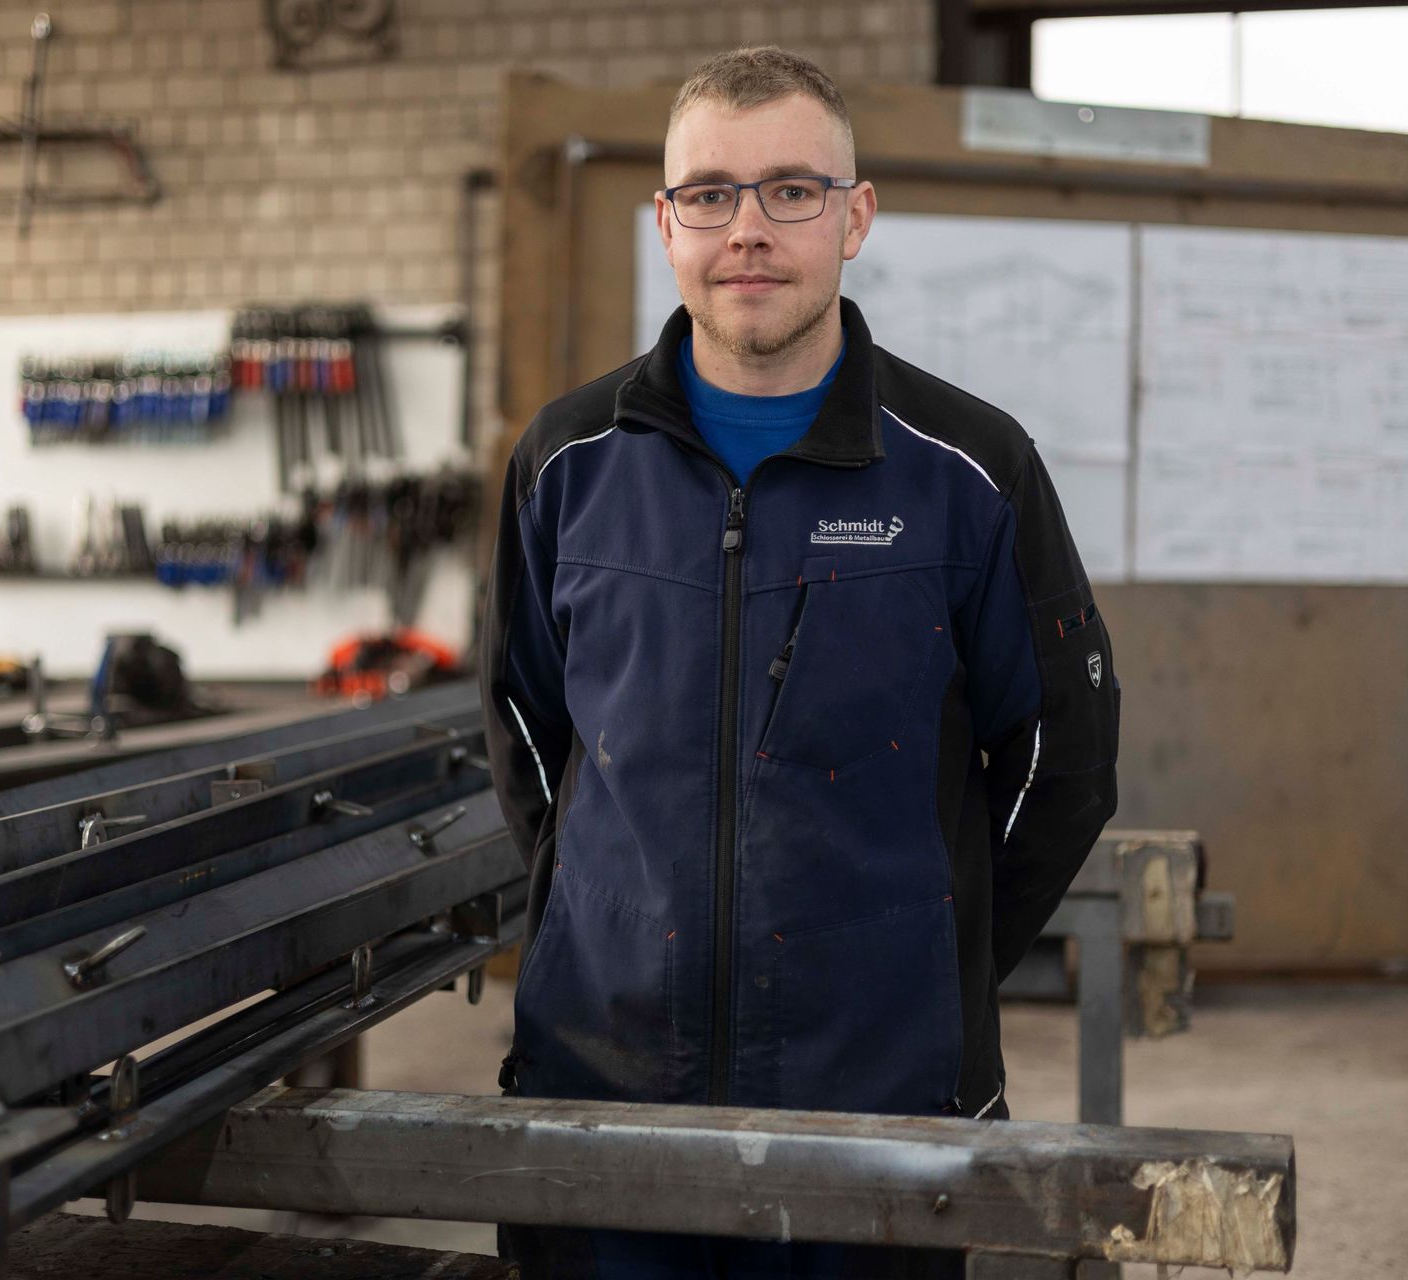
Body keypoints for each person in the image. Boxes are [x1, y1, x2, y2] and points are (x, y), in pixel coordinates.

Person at [479, 46, 1120, 1279]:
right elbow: (523, 725)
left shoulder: (968, 469)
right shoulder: (565, 465)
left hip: (878, 1098)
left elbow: (1063, 760)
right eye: (709, 194)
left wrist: (931, 957)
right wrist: (614, 926)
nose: (748, 231)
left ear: (855, 216)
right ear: (665, 223)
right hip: (605, 1078)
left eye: (791, 190)